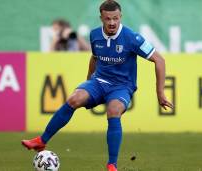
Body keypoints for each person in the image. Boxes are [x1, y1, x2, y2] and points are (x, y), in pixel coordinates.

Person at [22, 1, 173, 171]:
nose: (112, 23)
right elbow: (94, 57)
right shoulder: (95, 35)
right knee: (74, 99)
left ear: (120, 17)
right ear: (101, 18)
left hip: (122, 86)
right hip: (99, 82)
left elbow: (159, 60)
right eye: (108, 19)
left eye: (115, 18)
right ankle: (41, 141)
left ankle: (111, 165)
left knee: (113, 110)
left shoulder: (132, 38)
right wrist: (88, 81)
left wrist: (160, 93)